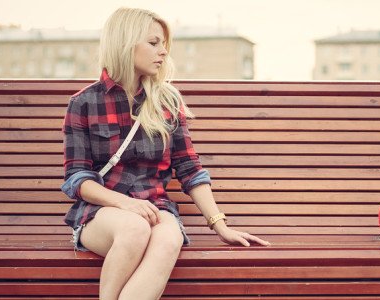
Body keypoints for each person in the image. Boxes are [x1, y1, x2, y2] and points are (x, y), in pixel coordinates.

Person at [60, 7, 270, 300]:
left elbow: (189, 168)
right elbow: (77, 178)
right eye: (154, 43)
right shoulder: (84, 103)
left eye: (164, 44)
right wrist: (124, 204)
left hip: (157, 207)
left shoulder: (167, 101)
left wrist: (219, 224)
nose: (163, 52)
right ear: (126, 42)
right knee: (134, 229)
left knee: (168, 239)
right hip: (101, 214)